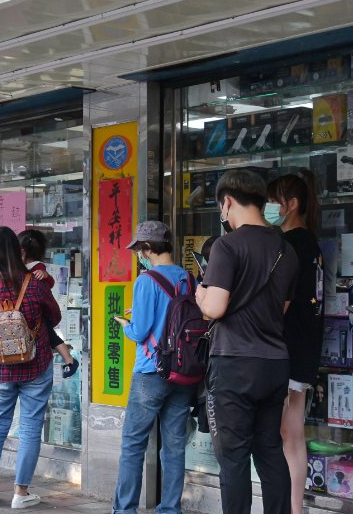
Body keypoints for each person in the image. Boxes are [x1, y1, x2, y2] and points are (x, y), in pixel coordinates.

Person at [194, 169, 298, 514]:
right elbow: (280, 309)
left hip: (235, 363)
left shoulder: (227, 245)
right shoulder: (286, 249)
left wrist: (200, 293)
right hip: (274, 363)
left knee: (234, 456)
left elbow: (214, 308)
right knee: (270, 449)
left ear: (227, 202)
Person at [0, 227, 61, 509]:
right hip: (37, 364)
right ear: (16, 250)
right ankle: (20, 494)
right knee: (31, 427)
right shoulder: (34, 285)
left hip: (1, 367)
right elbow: (55, 317)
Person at [111, 220, 196, 514]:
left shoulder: (146, 280)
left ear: (148, 248)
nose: (138, 255)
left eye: (139, 249)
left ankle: (125, 510)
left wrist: (125, 325)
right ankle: (170, 509)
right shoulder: (188, 278)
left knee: (133, 444)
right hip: (184, 371)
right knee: (174, 446)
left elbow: (140, 330)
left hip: (151, 371)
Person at [266, 171, 324, 514]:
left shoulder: (290, 245)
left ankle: (290, 508)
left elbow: (280, 303)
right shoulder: (310, 242)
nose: (270, 207)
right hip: (305, 346)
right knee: (294, 432)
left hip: (285, 347)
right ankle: (295, 508)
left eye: (275, 201)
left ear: (291, 204)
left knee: (285, 434)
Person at [17, 229, 78, 378]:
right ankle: (69, 360)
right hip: (35, 313)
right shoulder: (24, 267)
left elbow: (49, 282)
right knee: (51, 337)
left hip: (40, 314)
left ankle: (69, 360)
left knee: (52, 337)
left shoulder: (37, 267)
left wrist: (46, 276)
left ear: (22, 251)